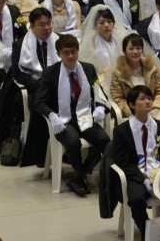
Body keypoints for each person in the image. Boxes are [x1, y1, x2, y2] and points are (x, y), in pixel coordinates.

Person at [33, 33, 109, 197]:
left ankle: (79, 175)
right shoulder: (50, 73)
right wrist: (52, 115)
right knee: (73, 142)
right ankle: (81, 176)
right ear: (59, 54)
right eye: (66, 52)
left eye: (73, 51)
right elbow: (39, 102)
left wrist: (101, 107)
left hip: (84, 116)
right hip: (62, 118)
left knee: (104, 140)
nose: (70, 56)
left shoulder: (87, 69)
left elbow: (99, 93)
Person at [102, 85, 160, 238]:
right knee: (136, 199)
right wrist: (143, 177)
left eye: (150, 98)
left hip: (159, 171)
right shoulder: (122, 131)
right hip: (135, 174)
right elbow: (123, 162)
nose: (148, 102)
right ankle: (149, 234)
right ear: (132, 104)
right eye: (142, 99)